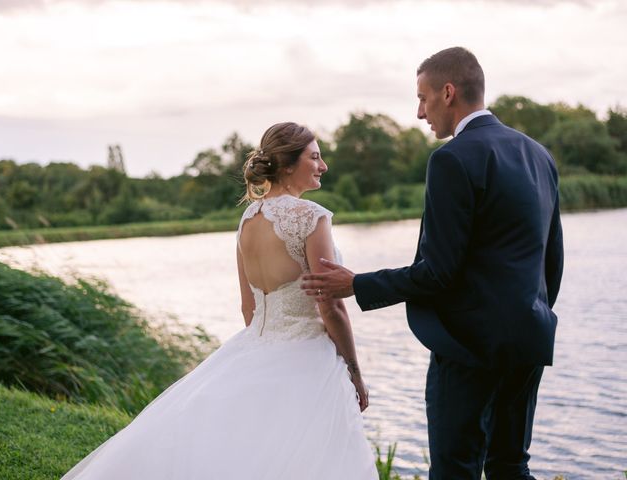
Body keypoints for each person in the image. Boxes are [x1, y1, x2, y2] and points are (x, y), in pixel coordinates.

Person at [302, 47, 564, 480]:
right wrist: (529, 312)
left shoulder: (451, 159)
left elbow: (439, 271)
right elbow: (551, 261)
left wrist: (358, 284)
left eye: (423, 98)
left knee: (454, 470)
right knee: (510, 467)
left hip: (467, 347)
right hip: (528, 338)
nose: (420, 112)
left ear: (448, 92)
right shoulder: (538, 154)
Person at [61, 122, 378, 479]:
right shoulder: (311, 217)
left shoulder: (248, 219)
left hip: (255, 346)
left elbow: (248, 307)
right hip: (307, 354)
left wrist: (264, 351)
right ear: (289, 165)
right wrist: (353, 370)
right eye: (315, 157)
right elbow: (330, 304)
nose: (323, 166)